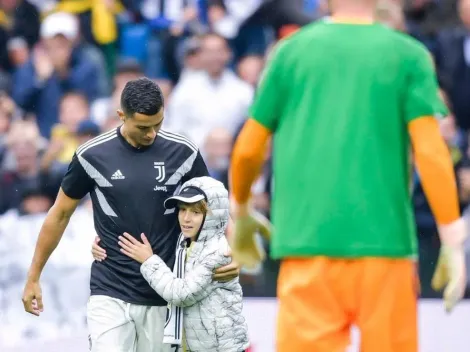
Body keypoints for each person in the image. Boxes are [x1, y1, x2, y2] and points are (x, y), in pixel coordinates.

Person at [228, 0, 468, 351]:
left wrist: (241, 209)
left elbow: (249, 149)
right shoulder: (408, 55)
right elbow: (430, 153)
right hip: (386, 248)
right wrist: (452, 237)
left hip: (306, 245)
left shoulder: (289, 52)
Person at [21, 77, 240, 352]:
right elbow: (60, 214)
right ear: (120, 115)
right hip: (110, 288)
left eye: (158, 124)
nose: (151, 134)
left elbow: (214, 205)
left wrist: (231, 252)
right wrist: (34, 276)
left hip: (164, 292)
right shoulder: (91, 155)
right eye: (143, 127)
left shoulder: (183, 151)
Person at [94, 176, 250, 352]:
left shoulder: (218, 252)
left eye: (196, 212)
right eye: (182, 210)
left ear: (213, 215)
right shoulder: (185, 242)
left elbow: (181, 294)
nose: (186, 218)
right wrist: (105, 243)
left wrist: (148, 260)